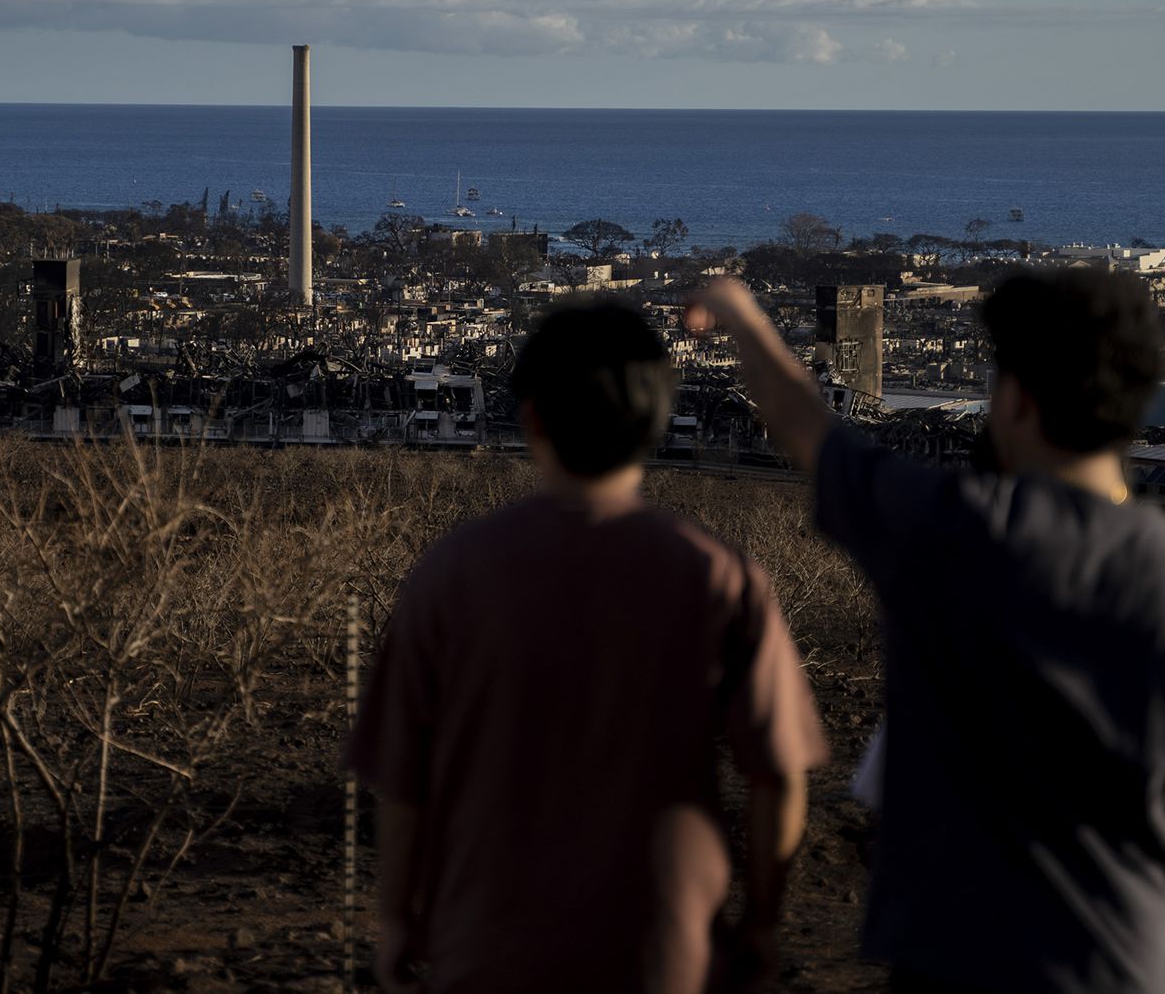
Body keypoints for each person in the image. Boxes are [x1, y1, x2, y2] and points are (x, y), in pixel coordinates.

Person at [687, 269, 1165, 994]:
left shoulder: (946, 530)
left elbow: (802, 421)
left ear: (1017, 399)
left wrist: (741, 313)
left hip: (952, 955)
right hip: (1120, 961)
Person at [346, 298, 828, 993]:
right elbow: (779, 775)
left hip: (487, 948)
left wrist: (397, 916)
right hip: (665, 951)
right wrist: (760, 921)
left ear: (532, 418)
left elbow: (401, 779)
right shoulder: (717, 575)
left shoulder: (450, 575)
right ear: (657, 422)